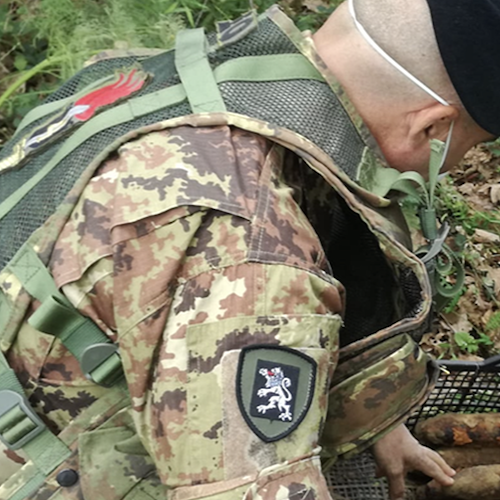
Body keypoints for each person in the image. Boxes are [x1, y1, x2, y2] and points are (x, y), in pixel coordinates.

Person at [0, 0, 497, 499]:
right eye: (467, 145)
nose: (456, 164)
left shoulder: (207, 82)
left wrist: (376, 420)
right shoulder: (246, 249)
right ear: (432, 127)